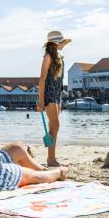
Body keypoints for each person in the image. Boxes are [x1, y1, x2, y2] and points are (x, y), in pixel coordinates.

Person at [37, 30, 71, 167]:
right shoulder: (48, 57)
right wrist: (40, 100)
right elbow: (42, 80)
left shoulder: (59, 57)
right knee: (55, 125)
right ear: (56, 43)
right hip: (49, 95)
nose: (64, 44)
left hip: (57, 94)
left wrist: (60, 96)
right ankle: (51, 159)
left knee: (54, 127)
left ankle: (51, 158)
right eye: (62, 42)